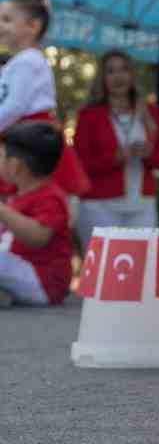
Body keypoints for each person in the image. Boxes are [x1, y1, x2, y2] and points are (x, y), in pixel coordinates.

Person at [72, 51, 159, 245]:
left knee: (143, 266)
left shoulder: (151, 112)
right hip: (99, 205)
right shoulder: (89, 115)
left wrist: (149, 154)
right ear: (102, 78)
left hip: (142, 205)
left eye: (124, 69)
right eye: (111, 71)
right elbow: (79, 164)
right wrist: (115, 157)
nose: (118, 76)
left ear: (132, 75)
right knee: (103, 270)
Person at [0, 0, 90, 200]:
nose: (1, 25)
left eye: (7, 20)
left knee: (35, 196)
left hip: (31, 137)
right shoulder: (20, 62)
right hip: (20, 131)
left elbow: (15, 105)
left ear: (33, 26)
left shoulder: (28, 61)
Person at [0, 121, 72, 307]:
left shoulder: (50, 198)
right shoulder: (17, 195)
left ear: (16, 166)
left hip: (45, 283)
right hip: (23, 274)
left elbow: (38, 237)